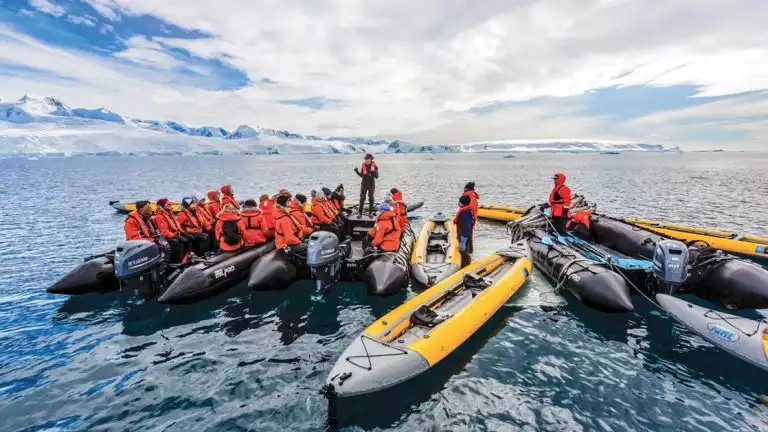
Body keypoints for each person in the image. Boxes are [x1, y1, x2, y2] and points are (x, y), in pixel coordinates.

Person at [153, 198, 192, 263]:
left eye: (170, 204)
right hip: (166, 238)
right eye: (168, 204)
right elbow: (164, 232)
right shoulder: (159, 217)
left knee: (189, 238)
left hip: (175, 234)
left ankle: (187, 257)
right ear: (162, 206)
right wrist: (175, 236)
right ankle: (177, 262)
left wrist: (184, 233)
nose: (170, 205)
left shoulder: (170, 214)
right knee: (177, 243)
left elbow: (177, 227)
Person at [454, 194, 475, 268]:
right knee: (463, 251)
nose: (458, 203)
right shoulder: (464, 210)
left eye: (460, 202)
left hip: (464, 235)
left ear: (463, 203)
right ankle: (463, 265)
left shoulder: (466, 213)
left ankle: (467, 267)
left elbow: (466, 226)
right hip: (462, 234)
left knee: (465, 252)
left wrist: (463, 239)